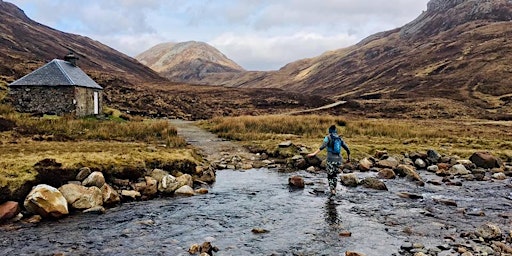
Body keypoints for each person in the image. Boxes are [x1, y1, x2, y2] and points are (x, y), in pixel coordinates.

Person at [307, 125, 350, 195]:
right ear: (335, 131)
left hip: (330, 159)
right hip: (338, 160)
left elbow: (323, 146)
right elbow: (347, 148)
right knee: (335, 174)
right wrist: (348, 158)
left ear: (329, 131)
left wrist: (313, 153)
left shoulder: (328, 137)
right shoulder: (339, 138)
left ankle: (332, 189)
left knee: (330, 175)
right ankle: (334, 189)